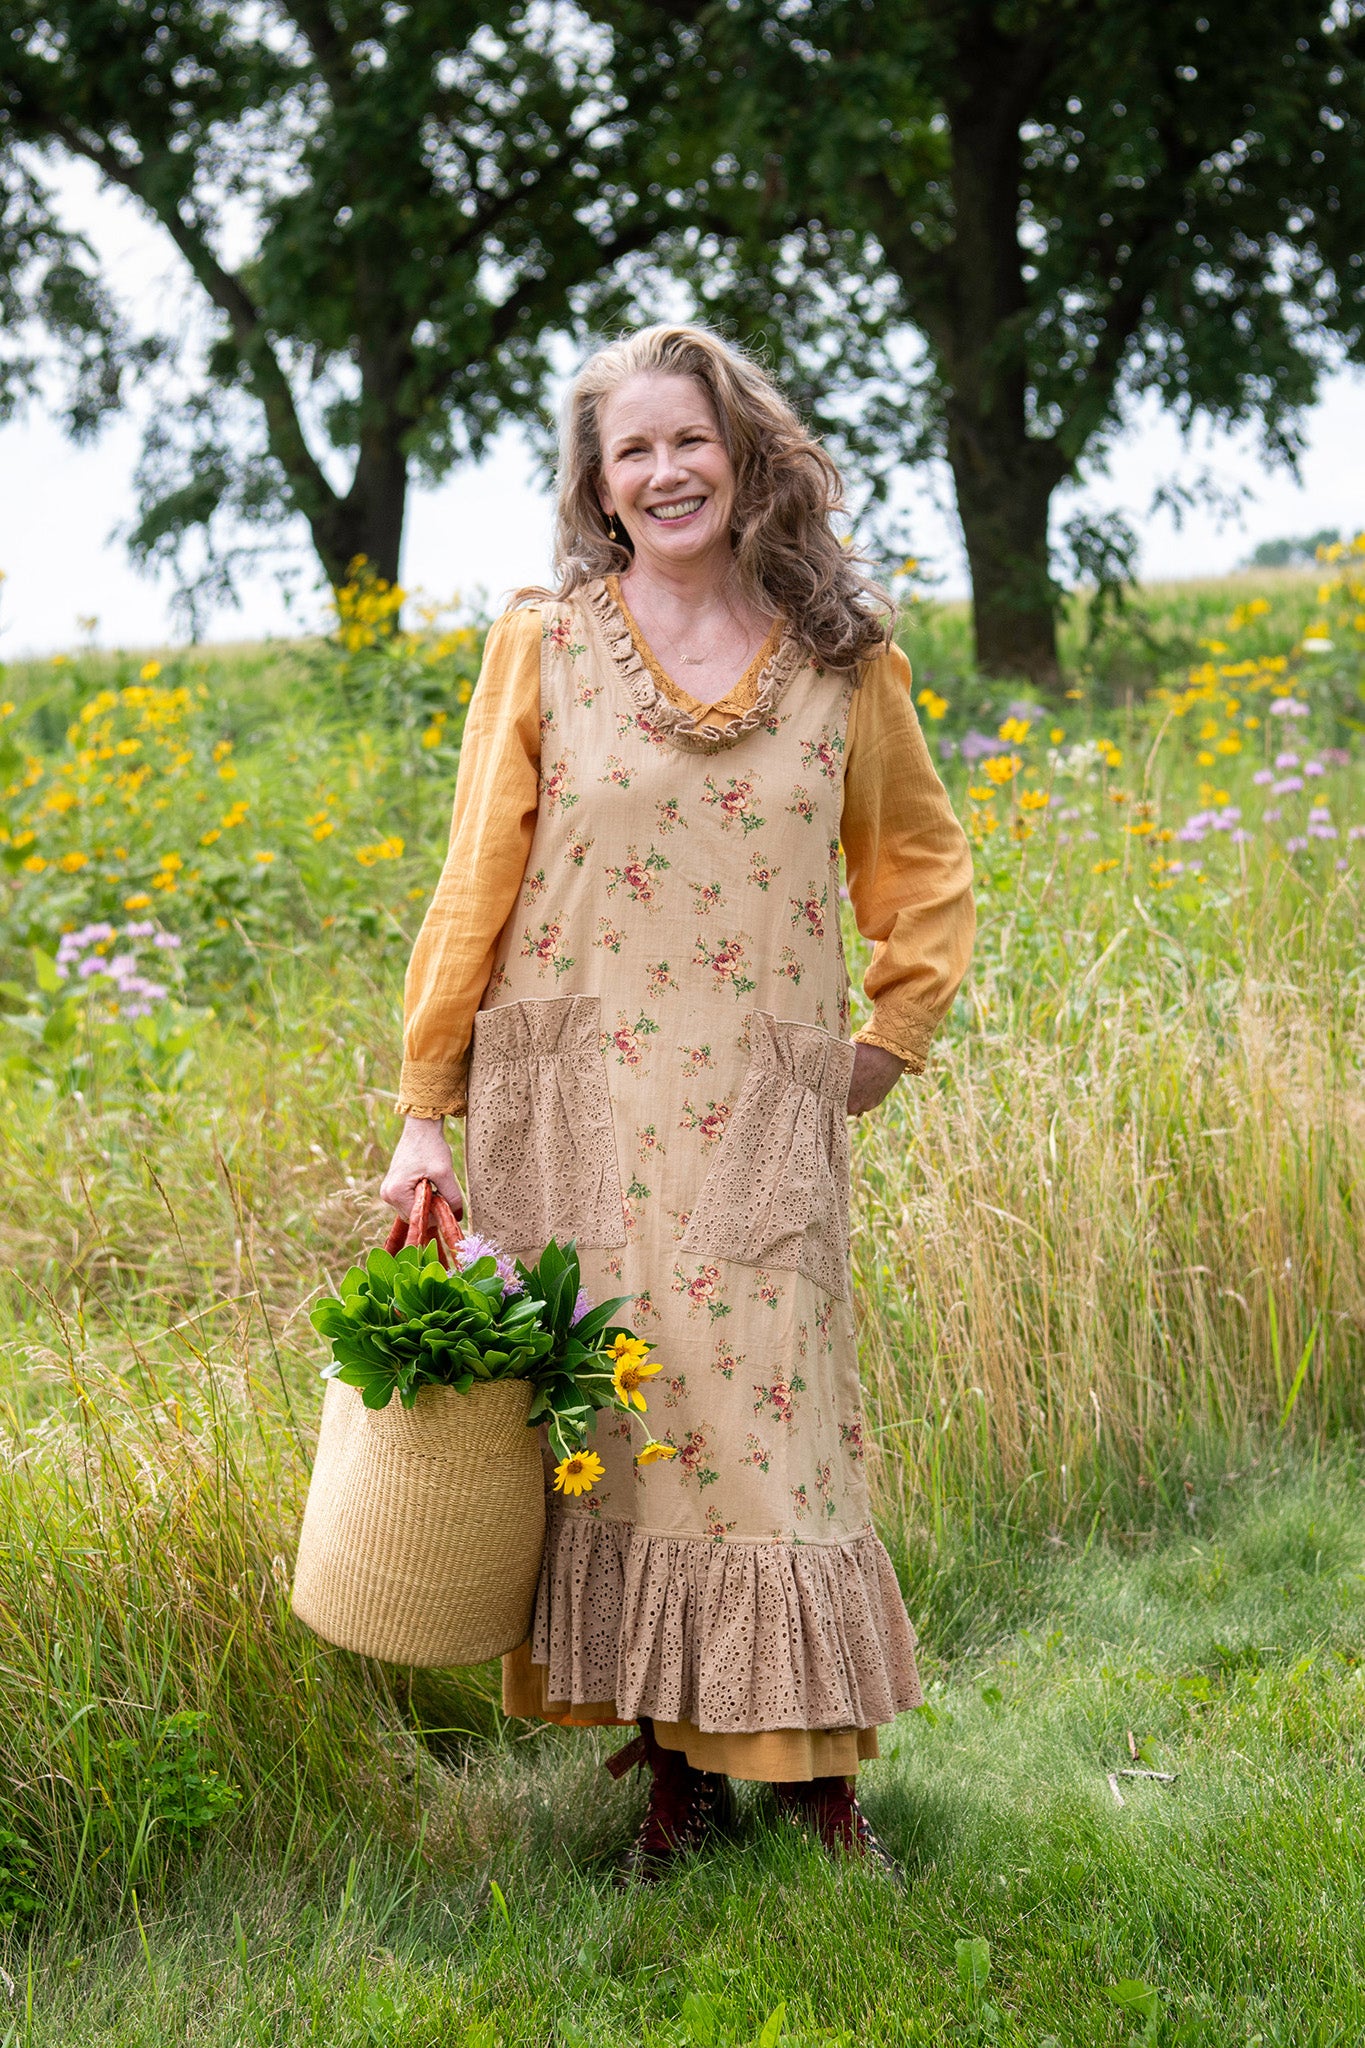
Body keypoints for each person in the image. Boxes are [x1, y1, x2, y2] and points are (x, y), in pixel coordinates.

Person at [382, 323, 974, 1879]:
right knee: (622, 1434)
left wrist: (888, 1039)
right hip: (569, 1098)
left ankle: (817, 1778)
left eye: (687, 442)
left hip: (761, 1103)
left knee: (778, 1437)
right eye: (628, 450)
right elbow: (472, 885)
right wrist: (424, 1110)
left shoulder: (843, 660)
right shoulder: (546, 643)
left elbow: (917, 867)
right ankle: (673, 1774)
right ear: (596, 481)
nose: (662, 473)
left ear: (745, 454)